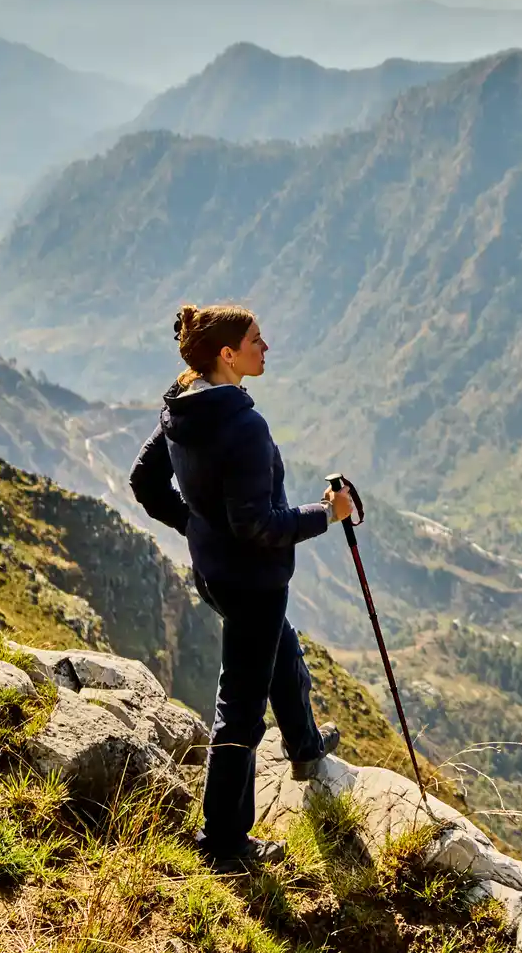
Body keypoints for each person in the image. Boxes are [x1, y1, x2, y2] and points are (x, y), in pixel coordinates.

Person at [129, 302, 356, 869]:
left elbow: (144, 482)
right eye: (256, 339)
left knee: (279, 646)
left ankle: (304, 746)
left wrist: (196, 527)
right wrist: (327, 513)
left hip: (216, 574)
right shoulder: (242, 425)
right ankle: (223, 842)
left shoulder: (182, 409)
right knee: (240, 708)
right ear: (228, 354)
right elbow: (259, 526)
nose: (266, 347)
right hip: (253, 581)